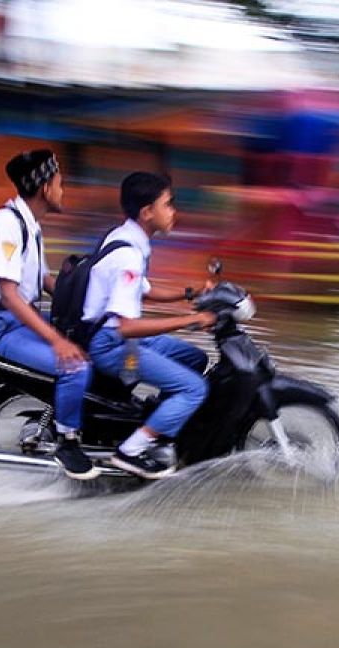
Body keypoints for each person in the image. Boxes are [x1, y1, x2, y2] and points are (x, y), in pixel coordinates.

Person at [0, 149, 101, 480]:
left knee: (95, 344)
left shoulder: (29, 226)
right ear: (45, 188)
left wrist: (93, 309)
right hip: (3, 325)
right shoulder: (7, 225)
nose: (63, 190)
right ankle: (67, 441)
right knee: (75, 365)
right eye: (60, 183)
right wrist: (58, 341)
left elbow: (44, 281)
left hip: (21, 319)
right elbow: (9, 294)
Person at [84, 172, 216, 479]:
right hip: (112, 346)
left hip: (113, 338)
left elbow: (141, 288)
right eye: (168, 205)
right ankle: (131, 451)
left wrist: (189, 293)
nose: (174, 212)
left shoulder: (125, 237)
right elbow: (127, 327)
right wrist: (192, 319)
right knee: (195, 389)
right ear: (147, 212)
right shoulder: (129, 254)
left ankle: (158, 423)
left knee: (196, 359)